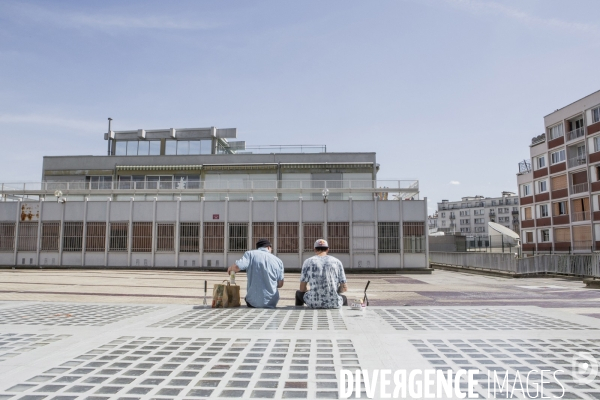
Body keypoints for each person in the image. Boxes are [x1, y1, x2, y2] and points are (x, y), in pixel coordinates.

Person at [227, 239, 284, 308]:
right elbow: (280, 284)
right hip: (271, 302)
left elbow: (237, 267)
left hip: (253, 302)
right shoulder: (278, 261)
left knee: (249, 298)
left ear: (258, 248)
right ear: (268, 247)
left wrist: (231, 268)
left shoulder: (250, 254)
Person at [296, 239, 348, 308]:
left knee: (298, 293)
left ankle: (298, 311)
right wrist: (334, 290)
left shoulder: (308, 262)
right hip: (334, 303)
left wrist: (312, 290)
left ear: (315, 249)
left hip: (313, 303)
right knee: (344, 298)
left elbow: (302, 289)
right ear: (327, 249)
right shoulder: (337, 262)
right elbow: (344, 288)